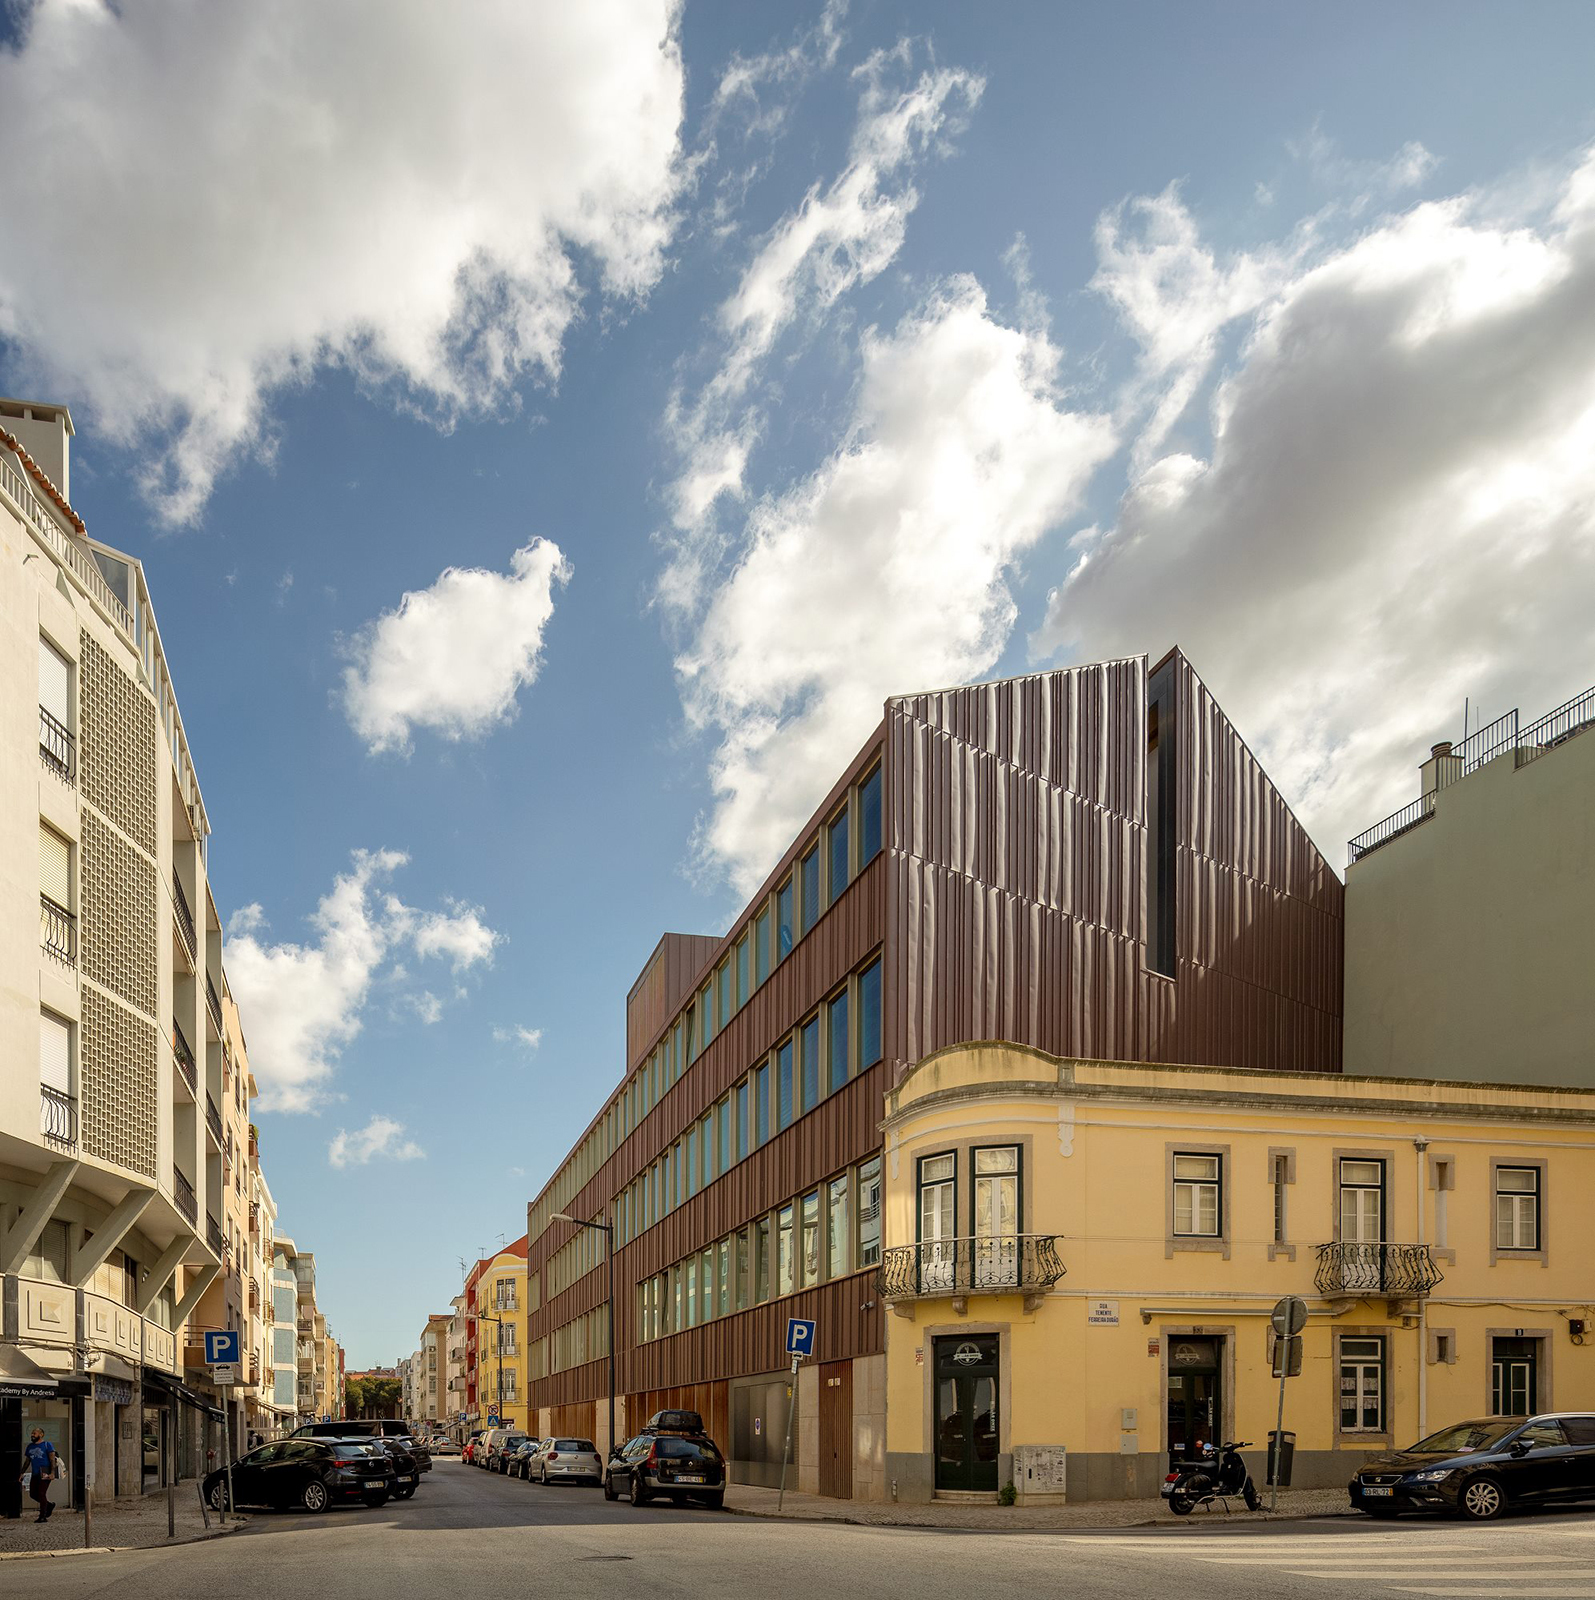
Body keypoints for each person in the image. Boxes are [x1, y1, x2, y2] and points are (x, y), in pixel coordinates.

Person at [20, 1429, 57, 1522]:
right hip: (35, 1473)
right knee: (33, 1494)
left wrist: (52, 1473)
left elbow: (52, 1459)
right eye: (32, 1433)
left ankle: (42, 1516)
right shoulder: (30, 1446)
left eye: (34, 1433)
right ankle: (48, 1505)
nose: (32, 1435)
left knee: (41, 1493)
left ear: (41, 1435)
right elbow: (27, 1461)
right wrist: (22, 1473)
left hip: (45, 1473)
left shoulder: (47, 1445)